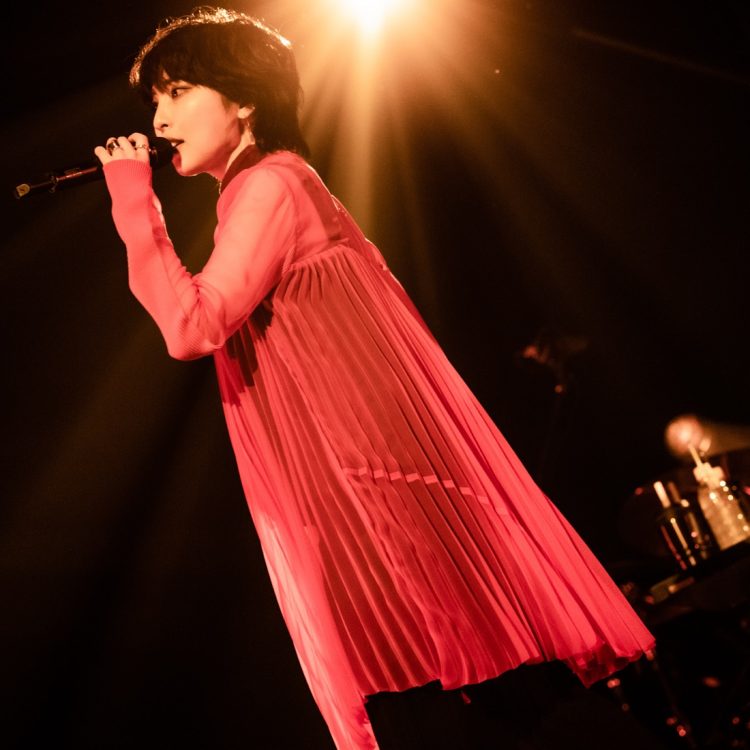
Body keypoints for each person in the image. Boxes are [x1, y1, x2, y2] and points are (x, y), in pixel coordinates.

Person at [95, 8, 659, 750]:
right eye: (156, 100)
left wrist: (134, 203)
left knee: (452, 705)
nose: (159, 120)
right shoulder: (271, 186)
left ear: (246, 99)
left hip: (372, 492)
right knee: (466, 701)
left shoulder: (270, 185)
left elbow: (192, 326)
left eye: (177, 92)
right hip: (364, 487)